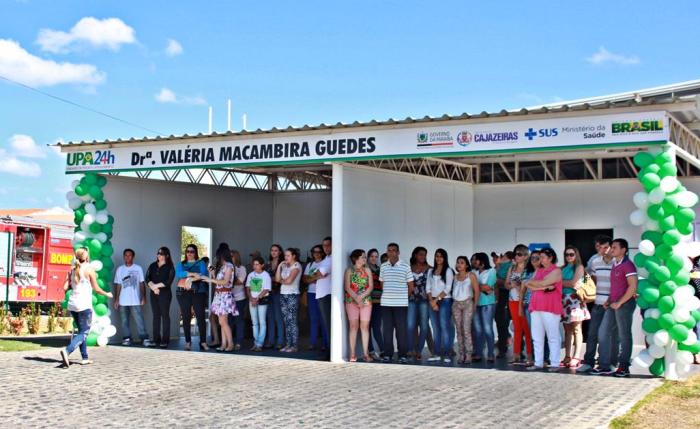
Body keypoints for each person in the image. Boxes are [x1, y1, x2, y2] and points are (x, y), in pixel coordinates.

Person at [60, 247, 114, 367]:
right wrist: (107, 294)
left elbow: (65, 288)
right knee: (84, 332)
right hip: (83, 304)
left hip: (73, 304)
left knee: (81, 331)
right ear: (86, 257)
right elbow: (97, 289)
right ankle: (67, 351)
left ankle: (85, 358)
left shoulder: (72, 269)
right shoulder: (89, 269)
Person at [592, 238, 638, 377]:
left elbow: (633, 286)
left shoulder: (628, 265)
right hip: (611, 304)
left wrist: (620, 302)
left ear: (623, 250)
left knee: (624, 336)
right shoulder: (609, 263)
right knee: (602, 332)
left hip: (624, 305)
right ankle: (604, 366)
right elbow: (613, 287)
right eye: (611, 247)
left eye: (614, 247)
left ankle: (623, 367)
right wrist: (608, 300)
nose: (611, 250)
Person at [579, 235, 617, 373]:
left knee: (607, 336)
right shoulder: (595, 261)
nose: (603, 250)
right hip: (597, 303)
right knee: (592, 334)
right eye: (600, 247)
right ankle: (588, 362)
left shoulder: (617, 262)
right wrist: (584, 290)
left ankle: (607, 364)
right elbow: (589, 278)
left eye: (606, 247)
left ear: (611, 247)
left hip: (612, 305)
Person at [524, 248, 563, 371]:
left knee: (553, 336)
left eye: (543, 257)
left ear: (550, 258)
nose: (540, 259)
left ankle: (555, 363)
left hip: (550, 307)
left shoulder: (556, 271)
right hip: (536, 306)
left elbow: (538, 283)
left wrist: (538, 284)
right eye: (539, 257)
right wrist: (543, 287)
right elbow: (527, 284)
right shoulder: (538, 270)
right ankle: (538, 362)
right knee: (537, 337)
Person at [379, 242, 414, 364]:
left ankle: (402, 355)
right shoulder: (383, 266)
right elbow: (382, 284)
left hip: (401, 304)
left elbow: (411, 286)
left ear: (398, 252)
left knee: (401, 331)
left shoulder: (405, 266)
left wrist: (403, 297)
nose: (391, 252)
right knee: (387, 331)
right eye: (389, 250)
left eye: (393, 250)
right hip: (386, 304)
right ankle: (388, 354)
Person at [114, 249, 152, 347]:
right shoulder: (120, 269)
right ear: (124, 257)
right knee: (124, 321)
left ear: (133, 257)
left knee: (139, 320)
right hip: (123, 300)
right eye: (126, 255)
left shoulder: (138, 268)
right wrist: (117, 299)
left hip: (135, 300)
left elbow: (141, 283)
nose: (127, 257)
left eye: (129, 255)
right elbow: (118, 284)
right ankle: (127, 338)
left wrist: (143, 297)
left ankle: (144, 338)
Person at [204, 243, 237, 352]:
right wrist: (213, 274)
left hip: (225, 296)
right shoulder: (223, 266)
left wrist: (211, 279)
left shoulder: (229, 266)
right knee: (222, 322)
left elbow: (225, 281)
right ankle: (223, 344)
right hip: (219, 296)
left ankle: (230, 344)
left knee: (223, 322)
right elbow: (219, 281)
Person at [560, 245, 590, 369]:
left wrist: (559, 282)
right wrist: (564, 283)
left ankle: (576, 356)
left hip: (575, 300)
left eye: (571, 254)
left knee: (577, 329)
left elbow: (573, 283)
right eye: (567, 254)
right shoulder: (562, 268)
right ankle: (567, 356)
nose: (569, 257)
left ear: (576, 255)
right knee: (567, 330)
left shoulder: (579, 267)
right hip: (563, 300)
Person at [176, 244, 210, 351]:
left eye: (192, 251)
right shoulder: (181, 264)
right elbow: (179, 274)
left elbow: (203, 274)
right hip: (184, 293)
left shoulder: (201, 263)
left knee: (200, 317)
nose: (189, 253)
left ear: (195, 253)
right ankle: (188, 342)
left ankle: (203, 342)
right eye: (188, 251)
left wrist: (190, 278)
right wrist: (192, 274)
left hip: (199, 292)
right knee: (186, 317)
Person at [344, 249, 374, 362]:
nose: (365, 259)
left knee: (365, 327)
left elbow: (370, 287)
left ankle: (366, 354)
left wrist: (361, 298)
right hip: (351, 301)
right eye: (363, 257)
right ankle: (352, 354)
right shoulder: (349, 270)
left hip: (366, 302)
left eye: (365, 257)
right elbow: (347, 287)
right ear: (356, 259)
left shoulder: (367, 270)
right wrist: (357, 298)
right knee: (353, 326)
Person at [505, 245, 533, 365]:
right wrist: (511, 285)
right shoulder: (512, 268)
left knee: (527, 329)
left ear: (526, 256)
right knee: (517, 328)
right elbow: (506, 284)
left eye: (519, 254)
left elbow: (530, 287)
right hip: (513, 301)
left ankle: (530, 355)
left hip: (525, 302)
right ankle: (516, 354)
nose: (516, 256)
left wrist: (519, 286)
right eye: (515, 254)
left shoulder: (529, 270)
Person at [427, 248, 454, 363]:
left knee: (444, 327)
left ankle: (447, 354)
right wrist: (432, 301)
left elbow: (448, 289)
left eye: (441, 256)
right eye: (437, 256)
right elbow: (428, 288)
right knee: (436, 328)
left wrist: (436, 300)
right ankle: (437, 353)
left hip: (445, 301)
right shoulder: (430, 271)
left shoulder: (448, 270)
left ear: (445, 258)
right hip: (432, 301)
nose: (438, 258)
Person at [145, 247, 175, 348]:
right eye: (158, 253)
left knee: (165, 316)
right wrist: (153, 288)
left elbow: (168, 281)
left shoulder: (170, 267)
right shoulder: (152, 265)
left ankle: (165, 340)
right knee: (156, 316)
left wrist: (155, 286)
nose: (159, 255)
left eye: (161, 254)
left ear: (167, 255)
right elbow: (147, 278)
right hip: (153, 293)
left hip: (165, 294)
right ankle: (156, 340)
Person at [452, 256, 479, 364]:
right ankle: (461, 354)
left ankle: (468, 354)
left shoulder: (471, 276)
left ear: (467, 265)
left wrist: (475, 305)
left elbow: (477, 291)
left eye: (462, 262)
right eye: (458, 262)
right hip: (456, 304)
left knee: (466, 329)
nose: (459, 264)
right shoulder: (455, 276)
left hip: (467, 303)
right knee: (459, 330)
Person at [310, 237, 333, 360]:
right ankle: (328, 351)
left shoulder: (332, 259)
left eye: (328, 245)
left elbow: (317, 274)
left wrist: (316, 276)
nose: (326, 247)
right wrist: (316, 276)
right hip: (321, 295)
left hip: (327, 295)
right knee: (325, 324)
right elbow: (310, 277)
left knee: (328, 325)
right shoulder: (326, 259)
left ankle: (330, 352)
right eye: (324, 245)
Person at [471, 252, 497, 362]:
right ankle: (478, 353)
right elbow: (471, 287)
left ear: (482, 260)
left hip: (488, 303)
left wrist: (476, 287)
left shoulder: (491, 271)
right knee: (477, 330)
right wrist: (481, 288)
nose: (474, 262)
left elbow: (488, 286)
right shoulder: (473, 272)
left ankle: (491, 353)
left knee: (487, 329)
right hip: (476, 303)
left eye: (476, 259)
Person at [303, 244, 329, 352]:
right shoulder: (310, 264)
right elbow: (305, 279)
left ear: (322, 253)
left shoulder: (325, 263)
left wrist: (312, 278)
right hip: (311, 293)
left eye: (319, 252)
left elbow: (324, 277)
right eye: (314, 252)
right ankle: (312, 343)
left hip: (322, 293)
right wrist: (316, 277)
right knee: (313, 319)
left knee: (324, 319)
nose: (316, 254)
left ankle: (326, 344)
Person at [276, 247, 302, 352]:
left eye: (288, 255)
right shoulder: (284, 266)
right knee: (286, 320)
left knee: (292, 320)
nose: (285, 257)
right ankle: (288, 344)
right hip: (283, 294)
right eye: (285, 255)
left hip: (292, 295)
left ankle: (294, 345)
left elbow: (289, 281)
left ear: (293, 256)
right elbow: (277, 279)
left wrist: (282, 281)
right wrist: (279, 266)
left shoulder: (296, 266)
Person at [408, 246, 430, 360]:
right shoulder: (408, 268)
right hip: (411, 300)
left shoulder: (430, 269)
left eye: (425, 255)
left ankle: (419, 350)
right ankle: (410, 349)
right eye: (421, 254)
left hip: (424, 301)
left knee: (424, 326)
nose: (423, 256)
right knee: (410, 325)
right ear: (415, 255)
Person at [246, 256, 272, 351]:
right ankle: (256, 342)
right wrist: (251, 298)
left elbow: (266, 289)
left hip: (261, 300)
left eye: (257, 264)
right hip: (252, 300)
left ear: (262, 265)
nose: (255, 266)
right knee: (254, 323)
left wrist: (257, 299)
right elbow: (248, 288)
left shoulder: (266, 275)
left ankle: (260, 343)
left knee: (262, 322)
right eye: (254, 264)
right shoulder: (250, 275)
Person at [265, 244, 285, 349]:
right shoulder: (267, 264)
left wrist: (272, 278)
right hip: (268, 292)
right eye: (272, 250)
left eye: (276, 250)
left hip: (279, 292)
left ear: (280, 252)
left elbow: (281, 278)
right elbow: (264, 278)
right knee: (270, 317)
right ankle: (271, 340)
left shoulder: (283, 264)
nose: (273, 252)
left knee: (278, 317)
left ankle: (280, 341)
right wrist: (273, 278)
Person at [494, 251, 513, 358]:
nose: (501, 258)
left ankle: (505, 346)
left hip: (507, 294)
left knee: (504, 320)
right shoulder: (499, 266)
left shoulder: (511, 266)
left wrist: (499, 281)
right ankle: (502, 344)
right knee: (499, 320)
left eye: (503, 256)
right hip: (499, 294)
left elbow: (507, 281)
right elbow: (495, 278)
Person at [229, 249, 248, 351]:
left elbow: (240, 281)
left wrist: (228, 280)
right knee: (229, 321)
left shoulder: (241, 268)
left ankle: (239, 342)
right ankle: (229, 341)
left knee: (239, 320)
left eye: (231, 256)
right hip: (228, 298)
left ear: (236, 257)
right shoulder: (226, 267)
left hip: (239, 298)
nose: (230, 257)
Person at [367, 248, 383, 360]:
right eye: (372, 256)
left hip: (378, 302)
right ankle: (371, 351)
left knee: (376, 327)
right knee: (367, 327)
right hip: (367, 302)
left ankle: (383, 350)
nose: (374, 258)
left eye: (376, 257)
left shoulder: (380, 269)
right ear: (368, 257)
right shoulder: (365, 269)